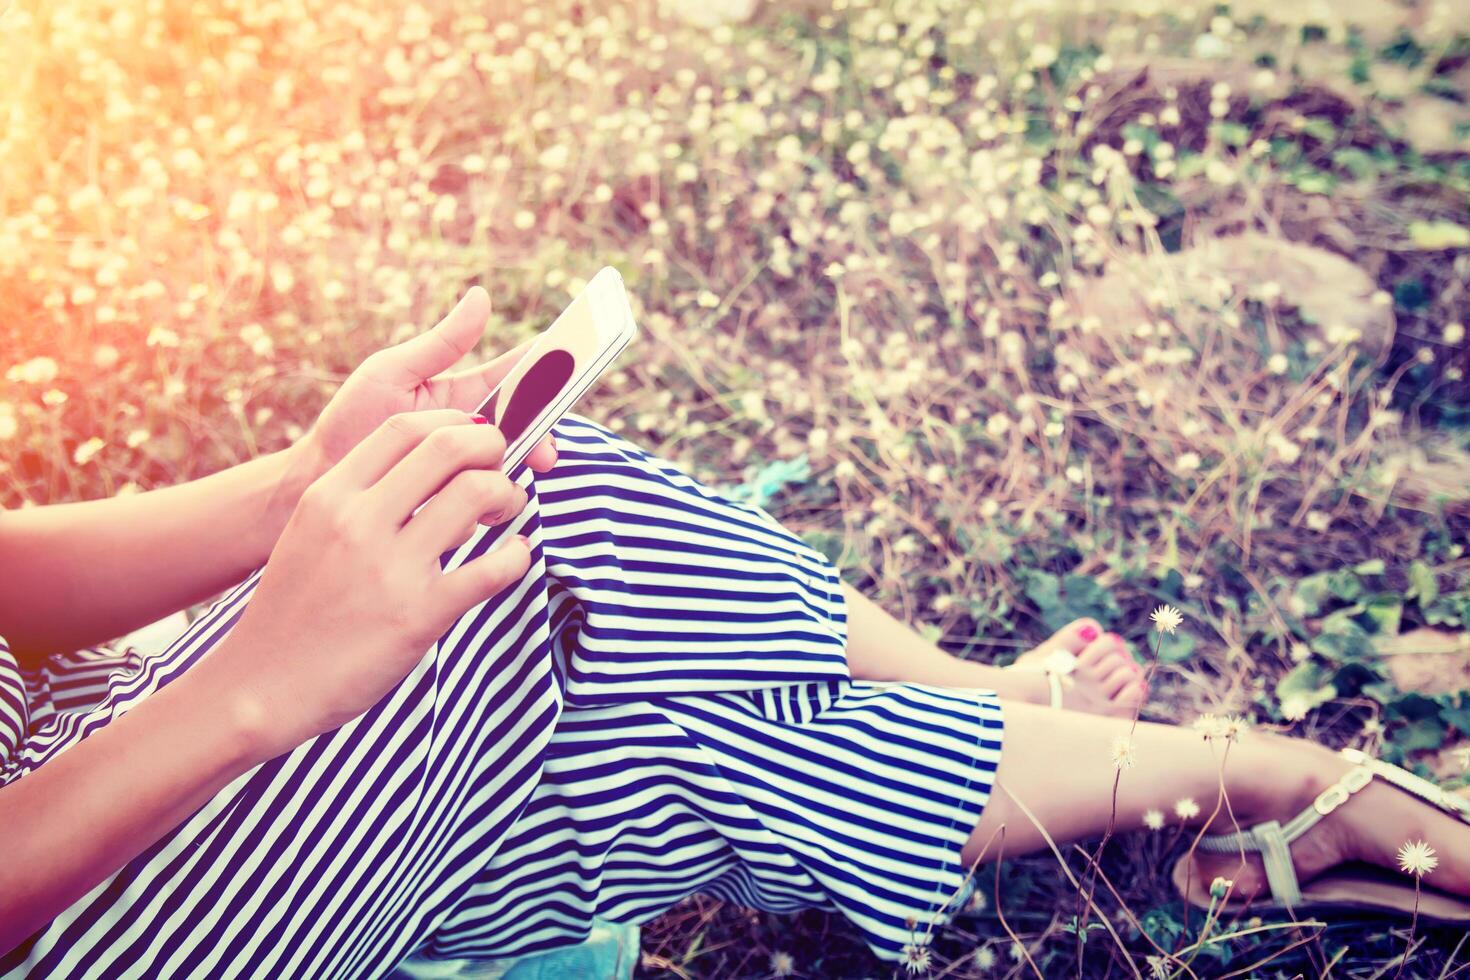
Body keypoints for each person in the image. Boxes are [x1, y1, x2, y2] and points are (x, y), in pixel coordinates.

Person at [2, 290, 1466, 978]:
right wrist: (253, 691)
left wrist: (292, 488)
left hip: (75, 738)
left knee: (545, 499)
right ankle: (1240, 783)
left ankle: (1016, 718)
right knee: (506, 585)